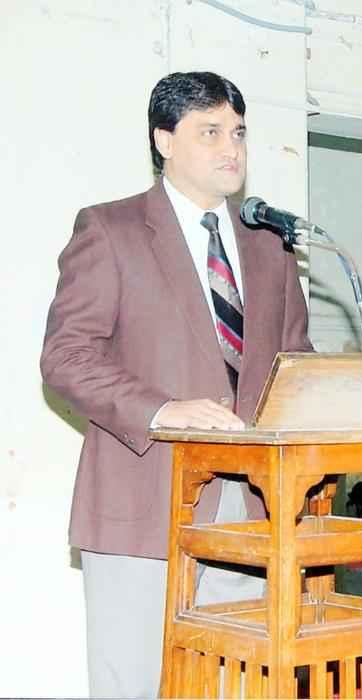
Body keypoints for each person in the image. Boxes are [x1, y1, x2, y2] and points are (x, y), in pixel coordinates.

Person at [40, 71, 312, 698]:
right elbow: (66, 357)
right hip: (144, 495)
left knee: (239, 686)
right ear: (164, 140)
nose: (231, 148)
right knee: (133, 684)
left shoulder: (269, 245)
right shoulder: (110, 229)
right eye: (210, 132)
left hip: (253, 505)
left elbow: (294, 361)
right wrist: (162, 410)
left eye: (238, 132)